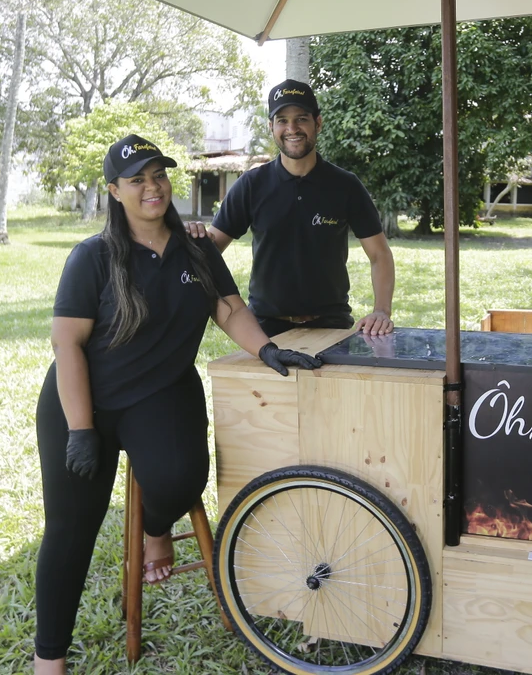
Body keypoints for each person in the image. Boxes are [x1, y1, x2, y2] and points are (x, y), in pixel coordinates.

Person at [33, 134, 320, 674]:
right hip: (83, 402)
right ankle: (49, 659)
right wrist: (79, 429)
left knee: (181, 479)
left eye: (158, 175)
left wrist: (266, 347)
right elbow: (66, 343)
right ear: (114, 190)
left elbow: (229, 307)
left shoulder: (196, 248)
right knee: (71, 532)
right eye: (137, 179)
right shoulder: (93, 257)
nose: (152, 187)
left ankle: (155, 531)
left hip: (161, 394)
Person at [190, 79, 395, 338]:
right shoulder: (252, 185)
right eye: (282, 120)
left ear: (318, 123)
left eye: (301, 119)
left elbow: (380, 255)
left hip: (331, 323)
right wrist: (191, 239)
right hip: (265, 328)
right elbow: (211, 250)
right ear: (271, 127)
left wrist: (382, 310)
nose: (292, 128)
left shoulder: (345, 185)